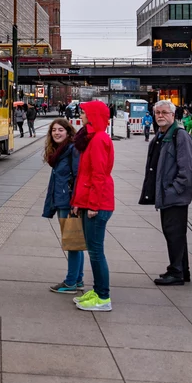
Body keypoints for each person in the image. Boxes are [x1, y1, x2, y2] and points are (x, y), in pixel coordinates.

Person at [141, 100, 192, 286]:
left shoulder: (179, 136)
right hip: (167, 195)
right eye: (157, 112)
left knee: (174, 233)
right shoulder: (162, 135)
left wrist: (174, 190)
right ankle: (182, 270)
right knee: (175, 234)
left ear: (173, 115)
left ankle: (176, 272)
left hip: (175, 196)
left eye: (164, 112)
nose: (160, 116)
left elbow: (188, 168)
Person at [71, 101, 115, 312]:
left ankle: (103, 297)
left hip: (98, 203)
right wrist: (79, 203)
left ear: (94, 115)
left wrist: (93, 205)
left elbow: (97, 175)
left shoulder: (98, 140)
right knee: (94, 250)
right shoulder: (93, 138)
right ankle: (98, 292)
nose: (82, 115)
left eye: (85, 112)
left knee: (96, 252)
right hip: (92, 201)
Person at [41, 119, 85, 294]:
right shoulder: (61, 151)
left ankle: (70, 282)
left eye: (60, 130)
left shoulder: (72, 150)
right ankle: (78, 279)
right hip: (62, 200)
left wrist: (76, 202)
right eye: (53, 130)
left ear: (68, 131)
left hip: (68, 202)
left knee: (72, 243)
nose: (57, 133)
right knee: (74, 241)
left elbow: (78, 176)